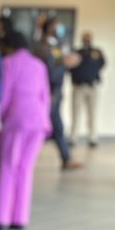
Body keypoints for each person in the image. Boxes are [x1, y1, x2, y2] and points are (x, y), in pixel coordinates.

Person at [0, 31, 51, 230]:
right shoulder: (39, 65)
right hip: (38, 122)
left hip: (16, 121)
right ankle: (20, 218)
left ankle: (2, 217)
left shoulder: (8, 63)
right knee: (26, 169)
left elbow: (4, 95)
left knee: (8, 167)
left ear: (9, 46)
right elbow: (45, 97)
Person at [32, 16, 82, 170]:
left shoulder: (57, 46)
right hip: (47, 92)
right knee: (43, 126)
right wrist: (64, 63)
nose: (60, 29)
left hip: (56, 92)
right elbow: (49, 71)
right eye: (57, 26)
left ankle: (66, 159)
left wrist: (66, 63)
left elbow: (60, 64)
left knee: (58, 127)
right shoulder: (43, 47)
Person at [70, 31, 105, 148]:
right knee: (76, 113)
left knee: (92, 113)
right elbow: (70, 67)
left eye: (89, 38)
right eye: (85, 38)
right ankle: (73, 137)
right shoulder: (76, 52)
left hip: (92, 87)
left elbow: (102, 64)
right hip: (78, 87)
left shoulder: (97, 52)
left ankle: (92, 137)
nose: (87, 40)